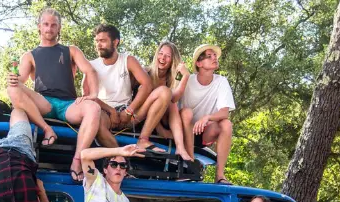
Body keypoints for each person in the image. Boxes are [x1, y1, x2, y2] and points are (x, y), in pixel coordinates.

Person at [6, 7, 102, 183]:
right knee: (12, 87)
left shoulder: (71, 50)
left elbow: (90, 70)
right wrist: (13, 77)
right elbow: (20, 79)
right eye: (46, 24)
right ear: (39, 27)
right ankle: (47, 129)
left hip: (68, 105)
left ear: (59, 28)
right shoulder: (29, 55)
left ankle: (77, 160)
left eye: (53, 25)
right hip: (44, 103)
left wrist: (93, 94)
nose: (49, 28)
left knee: (94, 108)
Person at [84, 25, 171, 152]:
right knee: (96, 120)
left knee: (165, 92)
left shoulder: (128, 60)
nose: (99, 44)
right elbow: (87, 96)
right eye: (97, 41)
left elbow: (147, 85)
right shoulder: (91, 65)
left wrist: (129, 110)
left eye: (103, 41)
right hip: (105, 112)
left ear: (115, 42)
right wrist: (111, 111)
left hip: (129, 114)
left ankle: (143, 139)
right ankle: (121, 159)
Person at [179, 44, 235, 185]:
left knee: (226, 124)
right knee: (187, 112)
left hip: (204, 133)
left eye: (215, 56)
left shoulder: (221, 81)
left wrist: (207, 118)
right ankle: (191, 163)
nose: (214, 58)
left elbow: (224, 112)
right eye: (209, 56)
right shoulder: (189, 80)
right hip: (185, 131)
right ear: (199, 63)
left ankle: (220, 175)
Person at [145, 41, 193, 161]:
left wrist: (185, 76)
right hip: (145, 115)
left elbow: (174, 98)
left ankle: (180, 148)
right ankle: (172, 139)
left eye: (167, 56)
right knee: (168, 99)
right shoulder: (146, 72)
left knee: (172, 104)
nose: (163, 58)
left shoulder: (171, 79)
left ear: (172, 60)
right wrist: (160, 129)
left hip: (163, 116)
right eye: (160, 54)